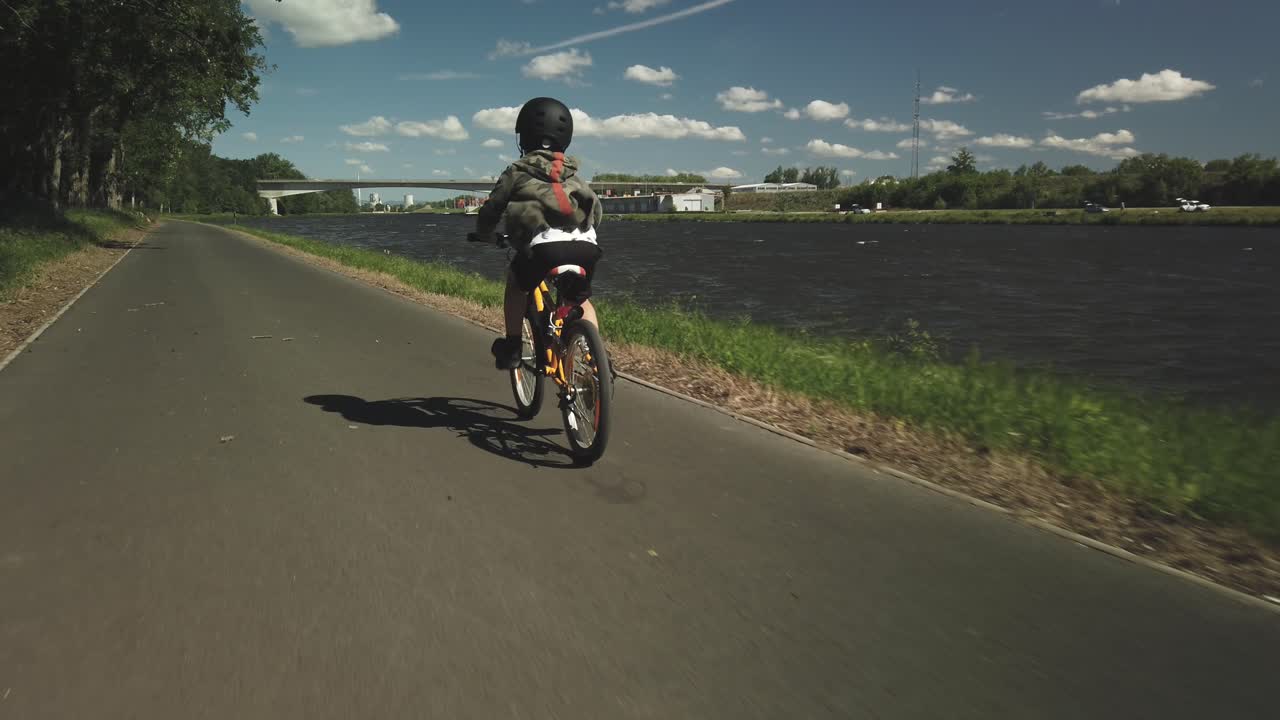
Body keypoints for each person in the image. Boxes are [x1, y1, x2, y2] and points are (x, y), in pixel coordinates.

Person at [469, 97, 604, 370]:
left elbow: (493, 208)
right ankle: (595, 361)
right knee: (580, 299)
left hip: (543, 247)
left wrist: (483, 233)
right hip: (586, 245)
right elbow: (596, 210)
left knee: (517, 284)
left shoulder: (517, 171)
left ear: (524, 136)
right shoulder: (573, 173)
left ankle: (512, 347)